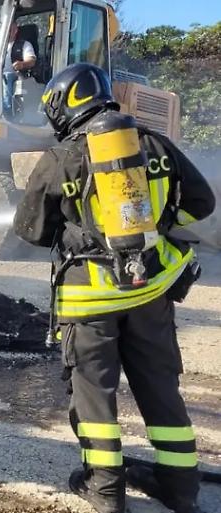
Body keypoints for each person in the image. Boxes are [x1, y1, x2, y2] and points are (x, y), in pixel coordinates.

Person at [13, 63, 215, 513]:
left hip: (91, 303)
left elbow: (29, 229)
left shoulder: (62, 158)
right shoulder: (156, 144)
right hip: (150, 295)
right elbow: (202, 203)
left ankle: (105, 493)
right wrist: (160, 228)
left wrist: (73, 233)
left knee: (95, 398)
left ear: (65, 106)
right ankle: (182, 491)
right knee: (162, 393)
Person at [4, 22, 38, 116]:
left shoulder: (24, 44)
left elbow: (32, 60)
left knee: (6, 77)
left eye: (9, 29)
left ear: (15, 31)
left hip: (15, 75)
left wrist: (22, 64)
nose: (6, 32)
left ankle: (7, 110)